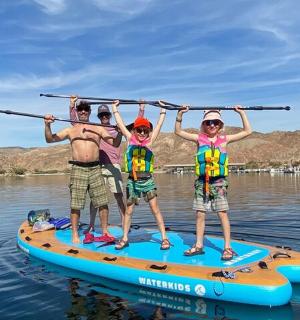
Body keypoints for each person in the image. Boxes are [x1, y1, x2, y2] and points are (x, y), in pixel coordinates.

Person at [175, 106, 252, 260]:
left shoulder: (225, 140)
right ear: (204, 124)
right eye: (208, 122)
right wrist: (180, 114)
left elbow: (247, 131)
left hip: (219, 183)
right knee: (200, 215)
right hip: (202, 183)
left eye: (215, 122)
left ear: (220, 125)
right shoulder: (198, 138)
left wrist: (241, 112)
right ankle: (198, 245)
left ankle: (227, 247)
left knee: (222, 214)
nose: (212, 125)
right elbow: (178, 132)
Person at [69, 97, 145, 241]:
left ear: (109, 115)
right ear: (97, 117)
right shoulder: (93, 127)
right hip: (97, 167)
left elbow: (135, 126)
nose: (104, 117)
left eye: (106, 115)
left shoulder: (116, 128)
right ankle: (91, 225)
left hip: (114, 166)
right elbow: (74, 121)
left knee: (118, 196)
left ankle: (124, 224)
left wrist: (141, 108)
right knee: (95, 199)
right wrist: (72, 105)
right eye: (101, 115)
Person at [44, 100, 118, 244]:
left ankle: (104, 231)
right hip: (78, 169)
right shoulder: (70, 130)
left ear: (90, 112)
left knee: (102, 203)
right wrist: (47, 125)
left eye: (86, 109)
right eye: (80, 109)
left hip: (96, 168)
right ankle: (75, 234)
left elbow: (114, 143)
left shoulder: (98, 129)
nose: (83, 111)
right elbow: (50, 139)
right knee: (75, 205)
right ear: (77, 112)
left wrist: (120, 132)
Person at [111, 100, 170, 250]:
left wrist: (163, 110)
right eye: (139, 130)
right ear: (135, 131)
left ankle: (164, 238)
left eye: (145, 130)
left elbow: (158, 126)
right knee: (129, 210)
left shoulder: (150, 142)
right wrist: (114, 109)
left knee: (155, 209)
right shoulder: (130, 140)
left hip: (148, 181)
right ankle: (124, 238)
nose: (142, 133)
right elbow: (121, 124)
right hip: (133, 182)